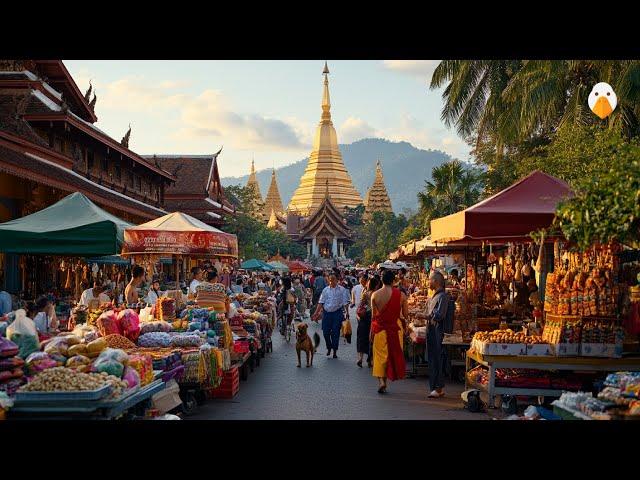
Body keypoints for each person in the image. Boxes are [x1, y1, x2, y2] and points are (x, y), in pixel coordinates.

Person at [370, 270, 407, 394]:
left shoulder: (375, 295)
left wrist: (371, 333)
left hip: (380, 328)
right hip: (395, 329)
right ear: (393, 281)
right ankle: (386, 379)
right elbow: (405, 315)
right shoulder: (401, 295)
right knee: (391, 355)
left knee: (380, 356)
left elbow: (374, 316)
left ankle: (381, 381)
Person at [312, 273, 350, 358]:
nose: (331, 281)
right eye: (330, 280)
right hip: (327, 314)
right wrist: (316, 313)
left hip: (337, 313)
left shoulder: (342, 290)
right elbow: (321, 302)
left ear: (337, 280)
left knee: (335, 333)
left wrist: (347, 312)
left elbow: (345, 303)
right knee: (326, 333)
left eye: (333, 279)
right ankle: (329, 347)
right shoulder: (325, 290)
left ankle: (335, 351)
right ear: (328, 280)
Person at [425, 271, 449, 398]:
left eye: (429, 279)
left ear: (435, 281)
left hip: (438, 332)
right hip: (432, 331)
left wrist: (425, 316)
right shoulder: (435, 296)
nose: (428, 282)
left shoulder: (443, 297)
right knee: (432, 359)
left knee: (437, 359)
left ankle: (438, 387)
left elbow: (439, 315)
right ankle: (436, 387)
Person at [356, 275, 380, 368]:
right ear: (376, 285)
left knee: (362, 338)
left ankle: (360, 359)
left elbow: (361, 305)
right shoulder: (378, 294)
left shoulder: (365, 293)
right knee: (372, 339)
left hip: (364, 317)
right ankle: (370, 360)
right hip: (374, 318)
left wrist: (358, 315)